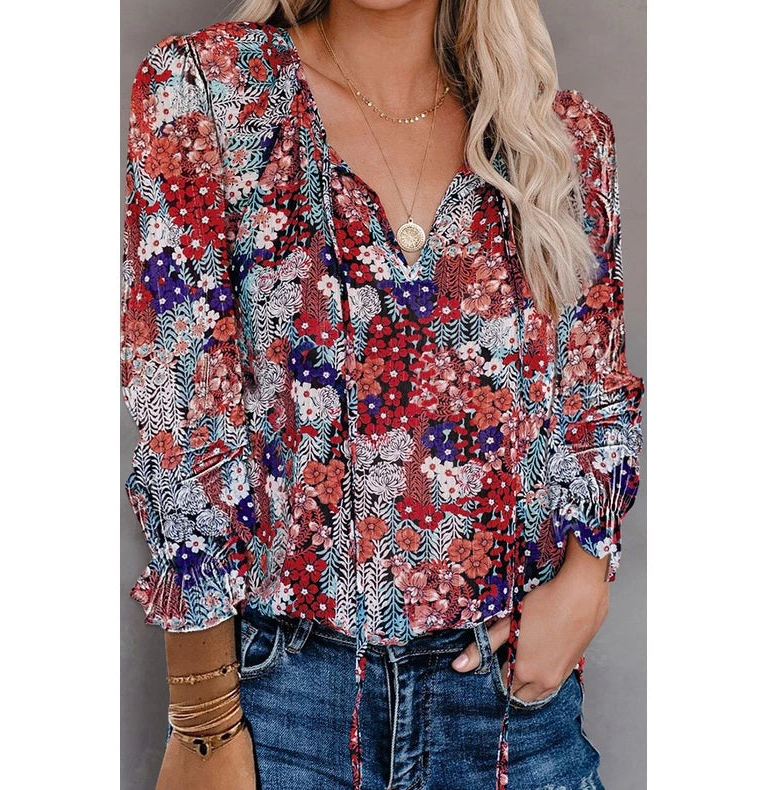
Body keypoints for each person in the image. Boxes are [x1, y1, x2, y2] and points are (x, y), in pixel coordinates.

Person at [120, 1, 644, 788]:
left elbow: (595, 391)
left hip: (509, 712)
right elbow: (182, 412)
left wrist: (586, 579)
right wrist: (202, 721)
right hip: (284, 707)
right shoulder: (210, 93)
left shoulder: (560, 139)